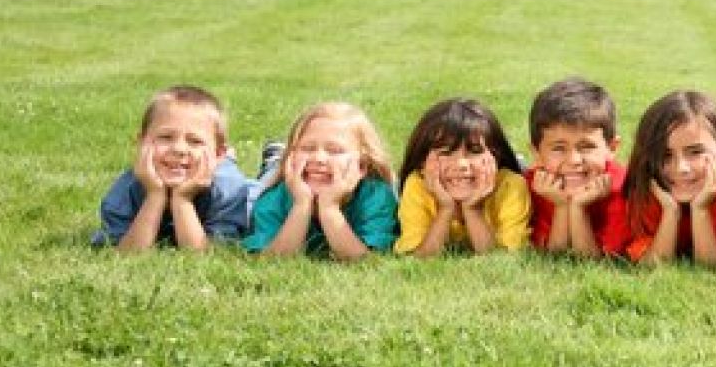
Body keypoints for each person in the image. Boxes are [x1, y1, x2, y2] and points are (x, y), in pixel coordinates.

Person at [93, 85, 248, 251]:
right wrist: (154, 195)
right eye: (166, 137)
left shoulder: (230, 190)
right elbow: (127, 253)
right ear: (142, 143)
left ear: (218, 153)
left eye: (195, 141)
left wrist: (183, 199)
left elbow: (202, 255)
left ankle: (271, 162)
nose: (179, 149)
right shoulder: (125, 190)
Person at [623, 90, 716, 266]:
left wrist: (700, 208)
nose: (681, 168)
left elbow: (714, 267)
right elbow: (652, 264)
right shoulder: (645, 193)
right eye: (665, 155)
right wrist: (670, 212)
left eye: (695, 152)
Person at [243, 102, 398, 260]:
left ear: (362, 165)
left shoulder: (377, 197)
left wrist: (329, 207)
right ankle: (275, 158)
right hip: (279, 176)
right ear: (291, 155)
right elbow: (272, 260)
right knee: (267, 178)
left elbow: (363, 261)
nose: (318, 158)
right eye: (308, 148)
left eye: (334, 150)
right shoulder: (273, 198)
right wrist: (301, 204)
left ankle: (275, 158)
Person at [394, 98, 531, 256]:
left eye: (474, 151)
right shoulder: (418, 184)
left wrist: (472, 209)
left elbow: (501, 259)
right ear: (422, 163)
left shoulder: (511, 186)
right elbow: (419, 257)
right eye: (446, 153)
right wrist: (445, 209)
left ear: (496, 156)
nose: (461, 164)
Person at [526, 78, 630, 258]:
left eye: (587, 147)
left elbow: (592, 261)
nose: (574, 160)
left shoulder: (625, 188)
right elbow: (554, 256)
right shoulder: (531, 186)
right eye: (558, 148)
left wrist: (578, 208)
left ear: (611, 148)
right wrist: (561, 206)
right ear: (537, 153)